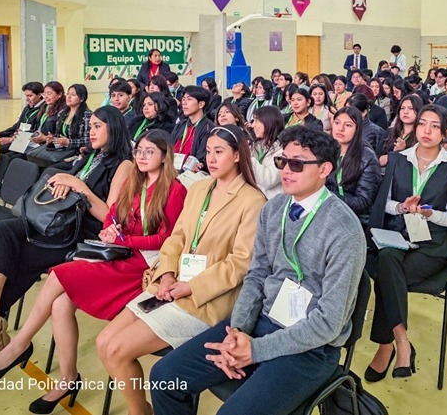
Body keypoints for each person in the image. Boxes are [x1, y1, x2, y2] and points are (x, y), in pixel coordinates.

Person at [149, 126, 366, 415]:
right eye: (282, 161)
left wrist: (254, 350)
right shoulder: (273, 209)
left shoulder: (344, 229)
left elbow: (328, 323)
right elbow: (256, 276)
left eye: (297, 164)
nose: (285, 170)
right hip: (262, 323)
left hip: (311, 346)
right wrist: (237, 331)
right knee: (164, 378)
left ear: (324, 169)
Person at [0, 130, 187, 412]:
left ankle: (20, 344)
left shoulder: (175, 190)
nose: (142, 157)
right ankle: (68, 379)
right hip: (118, 252)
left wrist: (124, 240)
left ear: (165, 156)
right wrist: (110, 230)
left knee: (59, 274)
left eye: (150, 152)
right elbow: (113, 214)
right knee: (60, 304)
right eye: (139, 151)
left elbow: (166, 239)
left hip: (143, 265)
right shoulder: (135, 181)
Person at [96, 125, 266, 415]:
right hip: (170, 285)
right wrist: (167, 274)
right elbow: (177, 237)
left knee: (116, 349)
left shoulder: (252, 201)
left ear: (238, 155)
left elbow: (240, 263)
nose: (211, 158)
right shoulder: (199, 188)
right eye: (208, 151)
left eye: (219, 152)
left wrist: (189, 286)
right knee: (103, 342)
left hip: (205, 299)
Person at [0, 107, 133, 378]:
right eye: (91, 126)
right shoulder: (91, 155)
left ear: (114, 129)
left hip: (79, 234)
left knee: (16, 253)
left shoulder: (124, 165)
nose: (91, 131)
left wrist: (77, 186)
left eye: (98, 126)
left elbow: (110, 217)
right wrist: (59, 182)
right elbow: (67, 184)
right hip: (55, 222)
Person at [365, 104, 447, 382]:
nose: (426, 131)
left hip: (434, 243)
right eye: (422, 124)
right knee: (387, 260)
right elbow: (385, 204)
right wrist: (402, 208)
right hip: (399, 235)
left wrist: (430, 214)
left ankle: (387, 347)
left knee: (386, 275)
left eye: (434, 126)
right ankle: (402, 341)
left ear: (445, 132)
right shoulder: (398, 160)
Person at [327, 107, 381, 226]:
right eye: (337, 123)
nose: (340, 128)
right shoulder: (327, 149)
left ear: (358, 129)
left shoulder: (367, 157)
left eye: (348, 125)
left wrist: (326, 196)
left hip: (352, 220)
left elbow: (363, 201)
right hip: (327, 212)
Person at [172, 86, 215, 173]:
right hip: (171, 168)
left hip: (189, 173)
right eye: (183, 99)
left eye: (189, 99)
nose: (184, 103)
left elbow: (200, 159)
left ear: (201, 104)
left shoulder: (208, 128)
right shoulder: (181, 124)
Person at [250, 106, 284, 200]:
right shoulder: (256, 146)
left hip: (271, 202)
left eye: (256, 121)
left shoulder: (283, 150)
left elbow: (268, 180)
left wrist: (247, 157)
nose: (253, 125)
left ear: (269, 122)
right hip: (254, 199)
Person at [0, 82, 44, 149]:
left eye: (30, 96)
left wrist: (11, 139)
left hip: (28, 143)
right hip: (18, 138)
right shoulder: (27, 108)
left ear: (39, 95)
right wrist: (0, 134)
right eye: (26, 96)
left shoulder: (44, 110)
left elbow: (35, 132)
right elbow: (17, 125)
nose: (26, 99)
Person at [380, 95, 423, 167]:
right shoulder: (389, 132)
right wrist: (394, 154)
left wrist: (403, 151)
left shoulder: (421, 136)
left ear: (418, 111)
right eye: (402, 108)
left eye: (411, 108)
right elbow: (377, 160)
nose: (405, 112)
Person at [49, 84, 92, 154]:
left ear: (82, 99)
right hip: (61, 151)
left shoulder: (87, 115)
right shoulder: (62, 113)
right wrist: (52, 139)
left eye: (73, 95)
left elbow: (89, 140)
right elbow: (58, 134)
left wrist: (69, 142)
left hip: (78, 153)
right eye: (68, 94)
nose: (68, 97)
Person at [346, 93, 386, 157]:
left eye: (352, 111)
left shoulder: (375, 132)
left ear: (364, 112)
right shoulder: (344, 128)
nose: (348, 114)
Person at [30, 81, 66, 146]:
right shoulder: (45, 107)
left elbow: (60, 136)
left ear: (59, 94)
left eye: (49, 94)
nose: (46, 97)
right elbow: (36, 127)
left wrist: (44, 138)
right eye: (44, 94)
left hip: (50, 145)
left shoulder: (63, 111)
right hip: (37, 141)